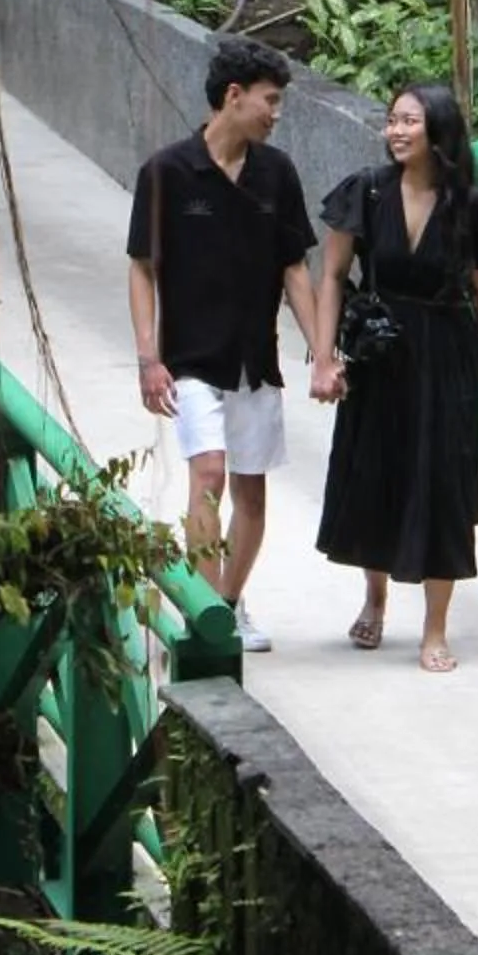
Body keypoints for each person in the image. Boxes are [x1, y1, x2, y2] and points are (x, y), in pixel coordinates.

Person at [309, 81, 478, 673]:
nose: (395, 131)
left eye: (408, 122)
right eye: (391, 121)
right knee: (377, 469)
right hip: (381, 350)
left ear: (438, 131)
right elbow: (331, 276)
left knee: (442, 481)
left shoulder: (470, 206)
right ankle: (375, 600)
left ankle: (435, 628)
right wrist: (325, 358)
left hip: (448, 354)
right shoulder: (366, 192)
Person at [126, 35, 323, 653]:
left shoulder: (277, 173)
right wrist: (148, 356)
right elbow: (141, 266)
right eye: (270, 100)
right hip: (190, 359)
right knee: (207, 472)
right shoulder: (167, 172)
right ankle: (203, 614)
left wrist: (322, 351)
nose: (276, 113)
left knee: (252, 493)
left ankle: (229, 604)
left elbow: (295, 268)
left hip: (254, 360)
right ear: (233, 97)